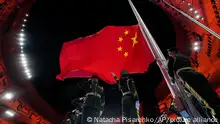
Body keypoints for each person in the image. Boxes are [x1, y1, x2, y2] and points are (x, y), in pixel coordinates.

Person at [167, 47, 220, 119]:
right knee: (210, 93)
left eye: (169, 53)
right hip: (197, 74)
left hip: (187, 76)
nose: (169, 54)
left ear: (171, 52)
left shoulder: (172, 58)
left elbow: (170, 70)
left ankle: (216, 115)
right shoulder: (185, 57)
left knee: (202, 98)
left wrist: (172, 81)